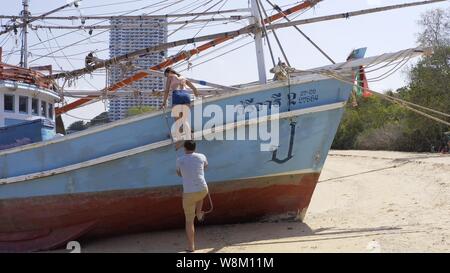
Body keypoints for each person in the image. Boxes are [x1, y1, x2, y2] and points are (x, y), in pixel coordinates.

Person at [176, 140, 209, 252]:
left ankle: (191, 247)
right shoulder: (202, 156)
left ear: (184, 148)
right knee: (200, 195)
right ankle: (199, 213)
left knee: (189, 221)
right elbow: (206, 166)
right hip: (203, 189)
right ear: (195, 148)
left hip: (189, 193)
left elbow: (179, 173)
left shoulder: (180, 160)